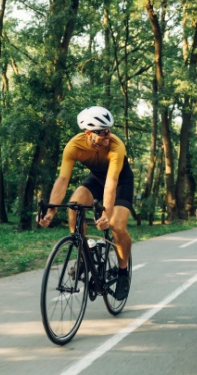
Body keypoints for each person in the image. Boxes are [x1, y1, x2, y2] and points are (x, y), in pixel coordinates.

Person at [38, 106, 134, 300]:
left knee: (116, 225)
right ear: (88, 133)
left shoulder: (116, 147)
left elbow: (111, 184)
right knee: (74, 205)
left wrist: (105, 214)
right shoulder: (74, 146)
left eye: (109, 131)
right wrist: (51, 211)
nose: (108, 136)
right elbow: (63, 180)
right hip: (96, 179)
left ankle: (123, 273)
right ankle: (84, 253)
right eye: (102, 133)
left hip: (120, 182)